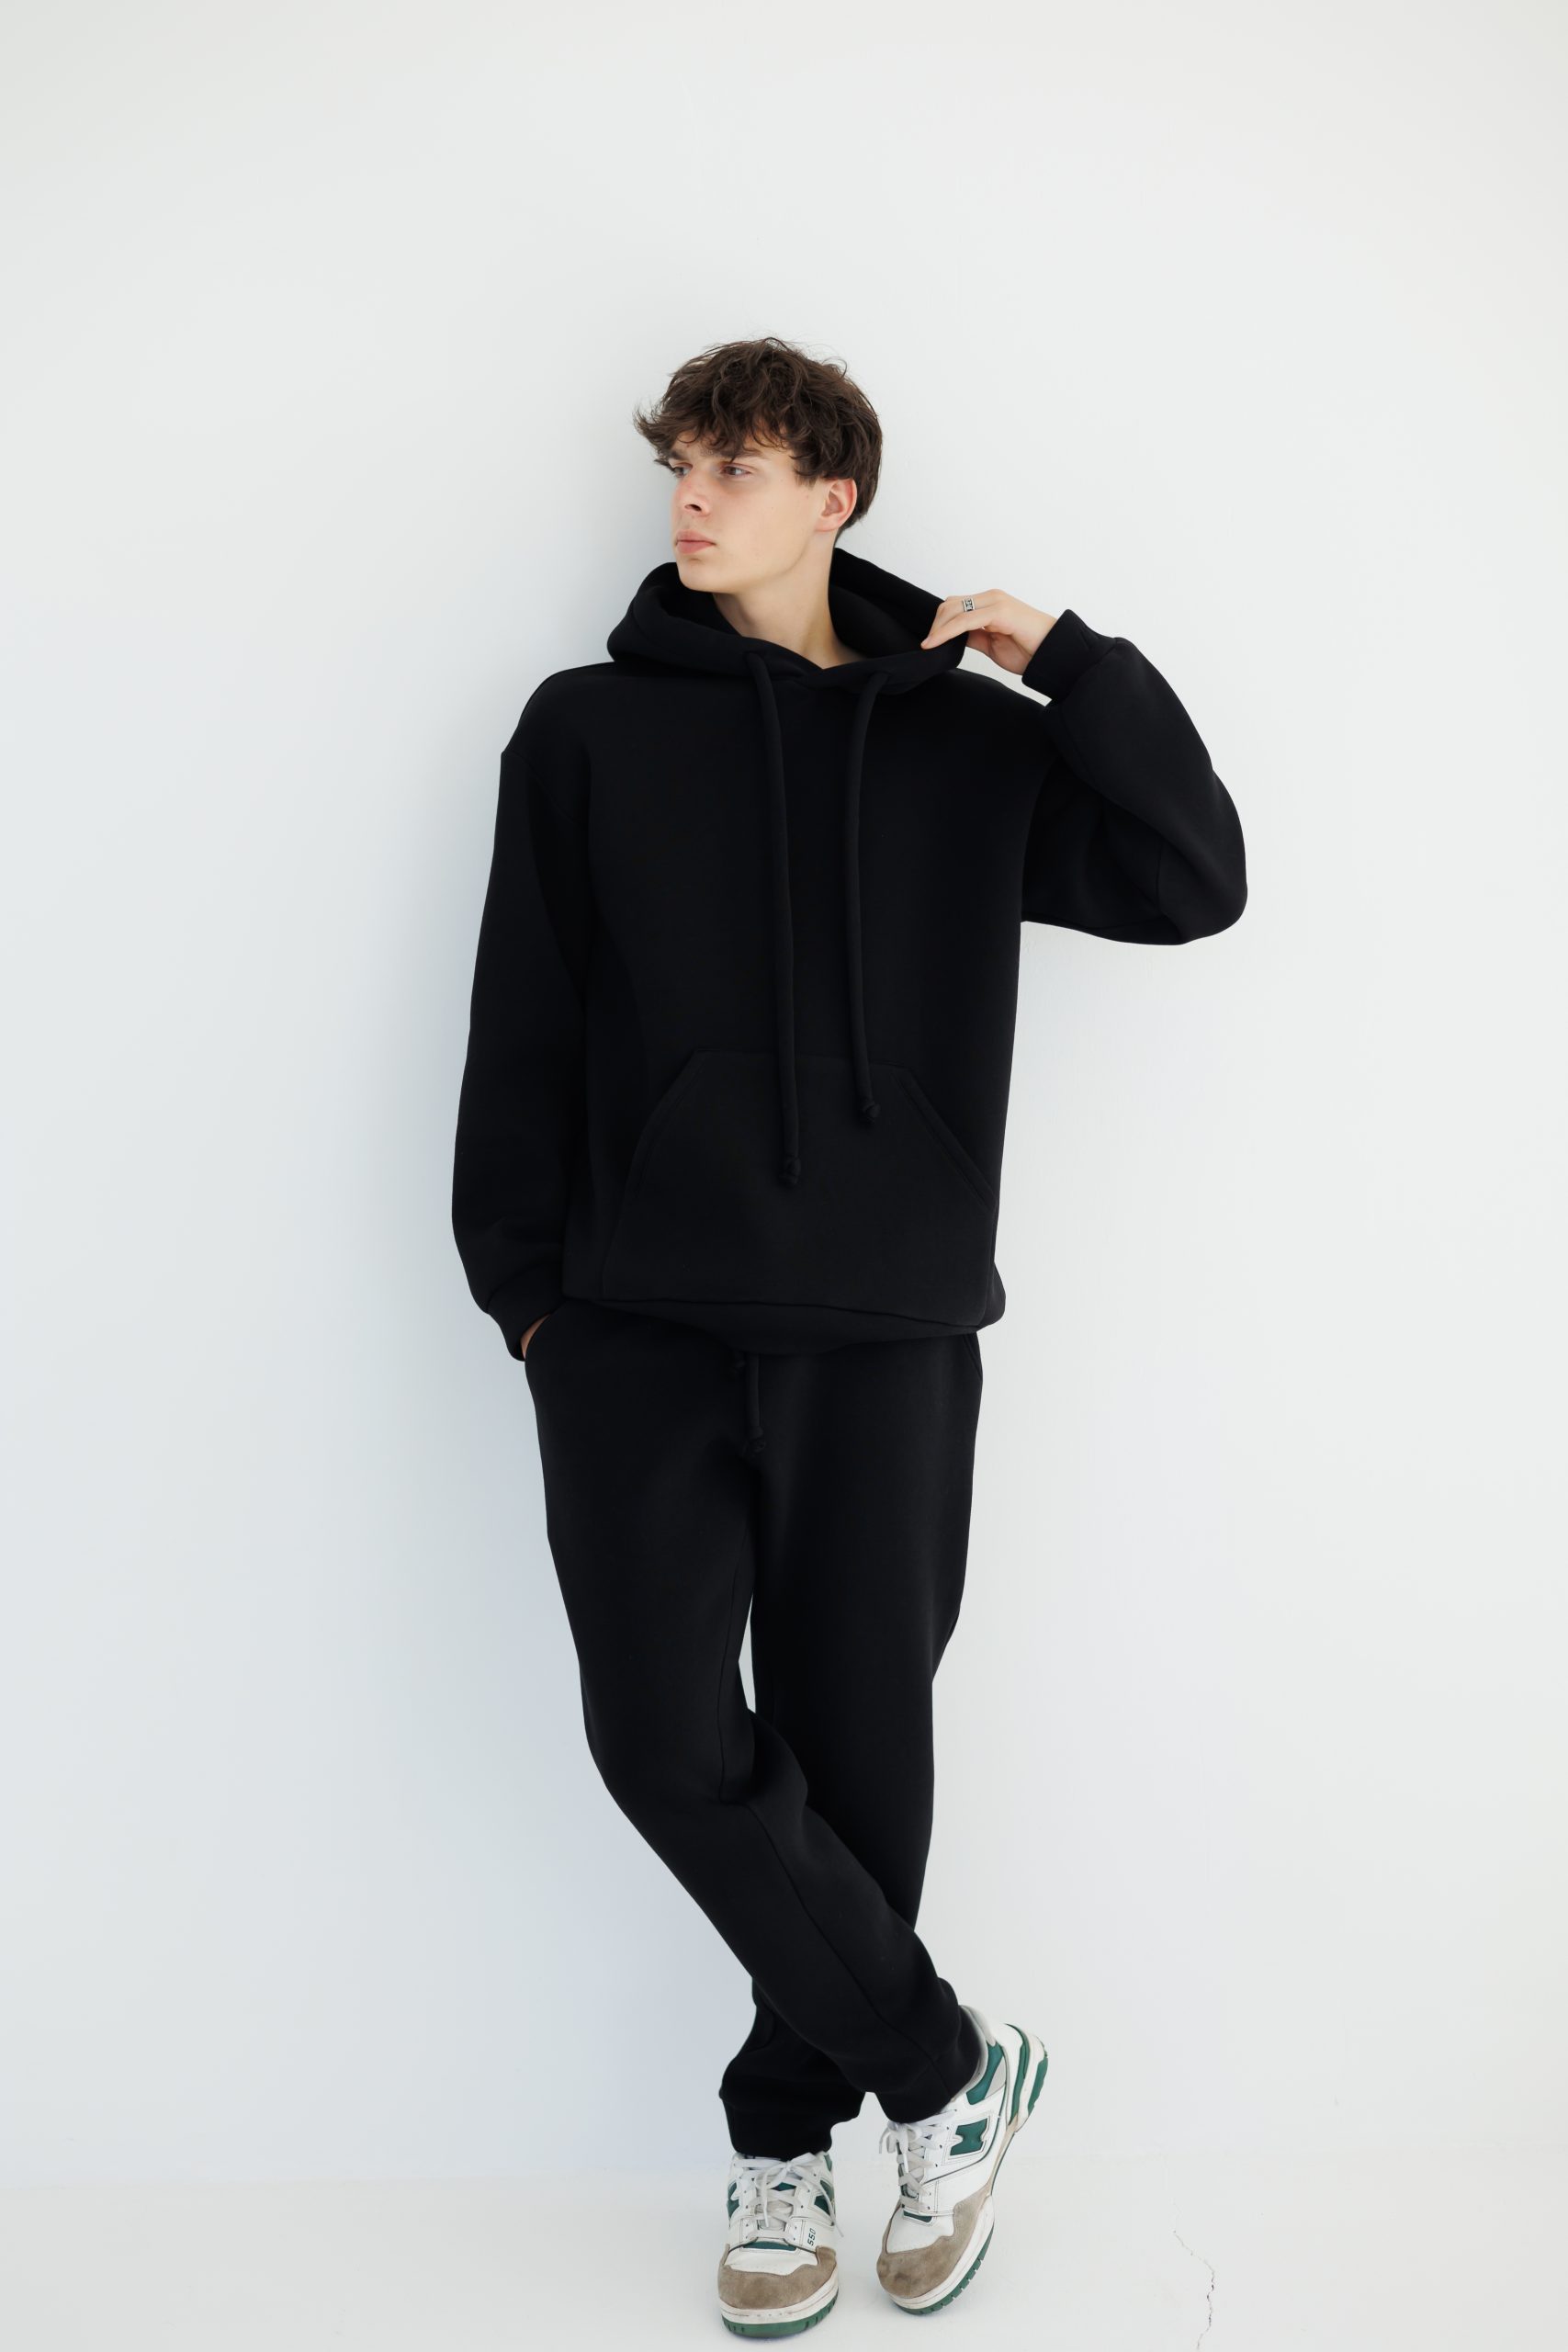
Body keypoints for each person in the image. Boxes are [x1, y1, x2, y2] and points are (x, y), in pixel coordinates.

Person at [451, 334, 1247, 2334]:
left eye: (733, 464)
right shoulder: (581, 731)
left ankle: (782, 2147)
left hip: (884, 1332)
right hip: (630, 1326)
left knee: (858, 1761)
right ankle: (947, 2069)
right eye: (679, 463)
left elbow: (1193, 879)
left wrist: (1069, 660)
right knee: (663, 1739)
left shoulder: (962, 749)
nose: (688, 496)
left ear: (836, 497)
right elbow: (523, 1013)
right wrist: (525, 1290)